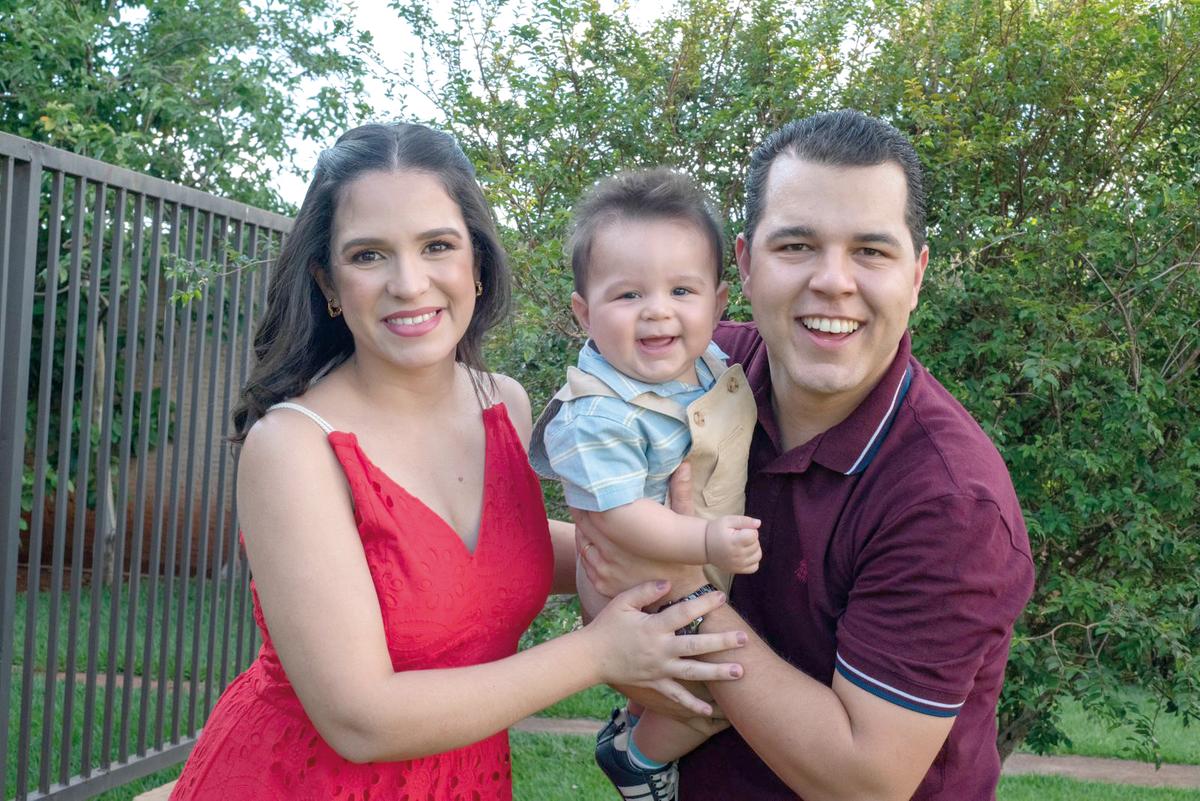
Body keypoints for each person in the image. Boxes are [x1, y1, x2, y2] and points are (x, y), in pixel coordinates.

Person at [169, 122, 750, 801]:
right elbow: (360, 719)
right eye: (368, 255)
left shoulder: (500, 403)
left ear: (476, 262)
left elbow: (496, 556)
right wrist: (596, 651)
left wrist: (668, 541)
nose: (409, 283)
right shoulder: (293, 446)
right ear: (328, 281)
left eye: (437, 246)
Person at [578, 110, 1036, 800]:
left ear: (916, 276)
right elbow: (608, 594)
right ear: (745, 262)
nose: (833, 280)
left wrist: (684, 589)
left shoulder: (947, 498)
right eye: (796, 245)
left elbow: (864, 779)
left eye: (871, 252)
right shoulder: (700, 372)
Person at [527, 169, 761, 800]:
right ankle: (639, 757)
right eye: (628, 295)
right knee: (722, 695)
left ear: (717, 305)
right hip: (638, 587)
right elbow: (621, 517)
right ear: (584, 314)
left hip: (683, 568)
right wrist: (708, 538)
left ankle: (638, 722)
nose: (658, 310)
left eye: (681, 290)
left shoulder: (708, 364)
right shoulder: (597, 413)